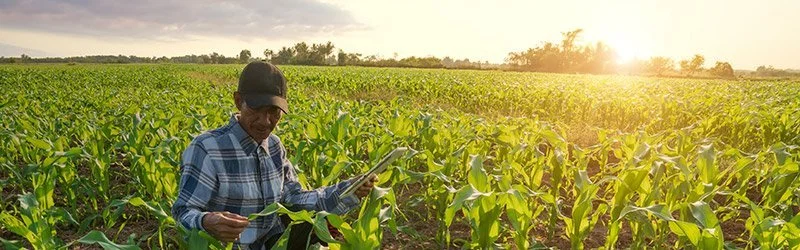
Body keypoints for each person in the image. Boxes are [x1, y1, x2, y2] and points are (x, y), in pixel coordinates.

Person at [172, 61, 377, 249]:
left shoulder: (275, 146)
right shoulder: (208, 149)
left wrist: (348, 190)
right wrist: (206, 222)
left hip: (274, 243)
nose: (265, 121)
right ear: (238, 101)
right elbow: (183, 211)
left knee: (319, 228)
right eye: (256, 109)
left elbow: (294, 197)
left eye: (273, 111)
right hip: (230, 247)